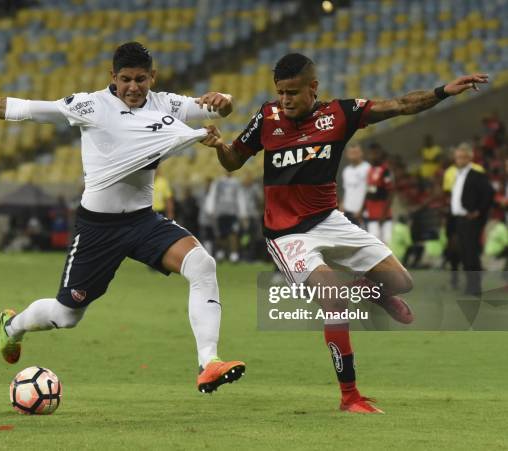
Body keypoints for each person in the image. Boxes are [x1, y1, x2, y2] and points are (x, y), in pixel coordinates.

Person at [0, 42, 245, 394]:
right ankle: (12, 326)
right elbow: (22, 109)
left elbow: (216, 108)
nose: (133, 88)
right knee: (66, 315)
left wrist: (222, 100)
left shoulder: (166, 103)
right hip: (98, 228)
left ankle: (208, 363)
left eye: (141, 79)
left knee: (202, 265)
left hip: (142, 222)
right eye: (125, 80)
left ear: (152, 77)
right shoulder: (90, 106)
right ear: (113, 77)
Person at [202, 52, 487, 413]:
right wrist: (218, 148)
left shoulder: (339, 114)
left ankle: (372, 292)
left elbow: (399, 104)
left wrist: (444, 91)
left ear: (313, 88)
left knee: (401, 283)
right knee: (334, 299)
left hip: (329, 220)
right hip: (287, 234)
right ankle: (349, 395)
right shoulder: (267, 116)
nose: (285, 100)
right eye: (280, 92)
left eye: (292, 92)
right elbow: (233, 161)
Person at [450, 143, 495, 296]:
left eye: (462, 157)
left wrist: (478, 212)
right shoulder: (458, 174)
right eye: (457, 157)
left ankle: (475, 287)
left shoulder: (476, 175)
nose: (459, 160)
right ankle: (470, 284)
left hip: (471, 219)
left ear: (470, 158)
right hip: (459, 219)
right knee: (464, 252)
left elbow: (489, 193)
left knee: (471, 253)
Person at [365, 143, 394, 244]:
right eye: (371, 153)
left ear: (380, 154)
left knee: (387, 244)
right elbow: (369, 191)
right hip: (372, 215)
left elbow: (390, 193)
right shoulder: (370, 170)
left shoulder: (385, 170)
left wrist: (384, 214)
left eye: (376, 153)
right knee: (375, 244)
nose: (373, 156)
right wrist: (362, 210)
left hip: (384, 216)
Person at [339, 143, 370, 227]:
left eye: (355, 152)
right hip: (348, 212)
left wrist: (362, 210)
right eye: (351, 153)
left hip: (362, 213)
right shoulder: (346, 171)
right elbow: (346, 190)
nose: (353, 155)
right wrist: (342, 205)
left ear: (361, 153)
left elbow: (369, 191)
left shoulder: (367, 168)